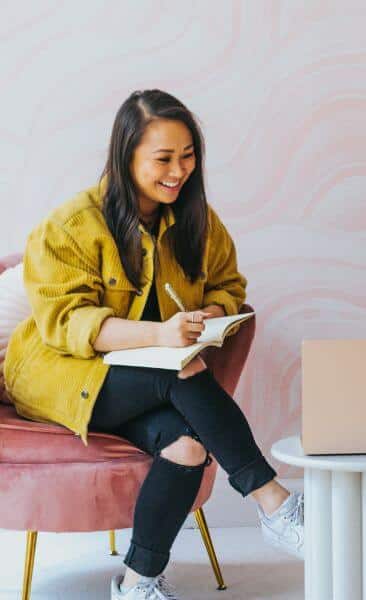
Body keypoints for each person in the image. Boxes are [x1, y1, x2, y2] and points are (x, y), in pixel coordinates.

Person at [3, 90, 303, 599]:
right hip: (62, 376)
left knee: (186, 447)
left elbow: (229, 286)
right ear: (126, 157)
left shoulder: (197, 222)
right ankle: (274, 501)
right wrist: (161, 337)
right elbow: (70, 323)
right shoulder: (71, 225)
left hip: (149, 382)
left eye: (187, 156)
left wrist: (213, 312)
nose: (178, 170)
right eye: (163, 158)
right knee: (180, 371)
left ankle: (138, 583)